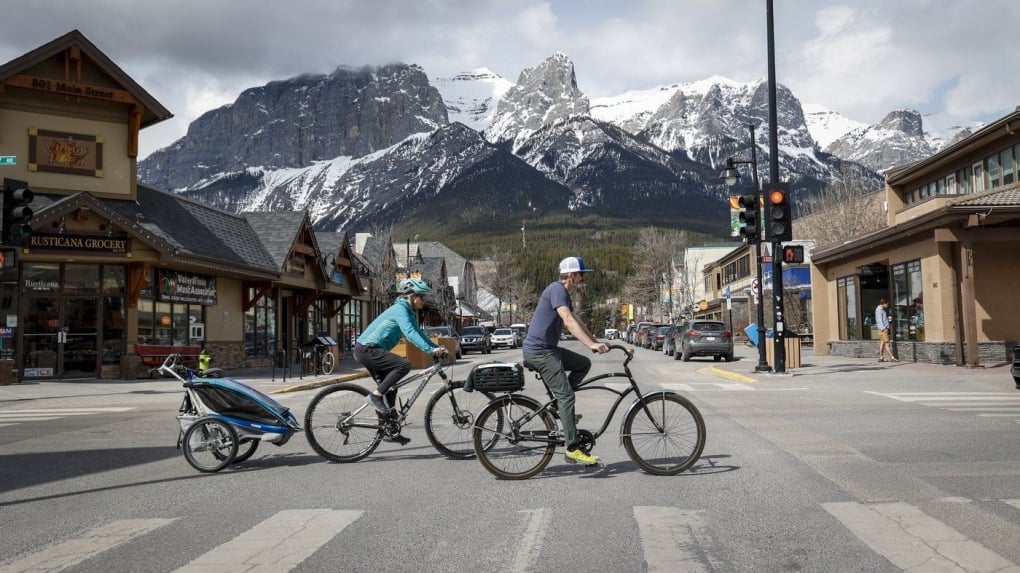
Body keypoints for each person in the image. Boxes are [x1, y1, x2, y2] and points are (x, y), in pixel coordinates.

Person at [522, 256, 610, 466]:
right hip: (539, 352)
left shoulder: (564, 295)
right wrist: (590, 345)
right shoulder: (556, 290)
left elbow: (577, 319)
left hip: (548, 350)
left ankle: (556, 408)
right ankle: (572, 447)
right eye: (581, 275)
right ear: (571, 275)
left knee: (583, 364)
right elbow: (568, 320)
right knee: (567, 396)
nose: (582, 279)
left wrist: (596, 341)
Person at [354, 278, 447, 443]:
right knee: (404, 365)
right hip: (367, 349)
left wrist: (434, 347)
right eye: (422, 297)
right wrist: (430, 350)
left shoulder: (409, 312)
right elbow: (410, 333)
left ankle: (389, 429)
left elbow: (418, 332)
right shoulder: (400, 309)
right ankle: (375, 397)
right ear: (411, 296)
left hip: (374, 350)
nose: (424, 300)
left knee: (391, 388)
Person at [875, 298, 898, 362]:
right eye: (887, 304)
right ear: (884, 303)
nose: (887, 305)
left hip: (884, 328)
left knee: (882, 343)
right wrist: (883, 328)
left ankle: (881, 357)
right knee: (887, 343)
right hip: (883, 329)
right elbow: (879, 320)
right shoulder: (879, 310)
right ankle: (892, 357)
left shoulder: (882, 309)